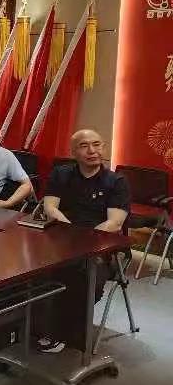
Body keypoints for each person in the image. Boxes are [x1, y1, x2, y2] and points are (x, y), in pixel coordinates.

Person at [34, 129, 131, 353]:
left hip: (101, 247)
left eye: (96, 145)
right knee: (33, 270)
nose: (92, 151)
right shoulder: (61, 174)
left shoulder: (116, 181)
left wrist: (83, 242)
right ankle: (37, 325)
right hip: (63, 241)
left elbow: (115, 223)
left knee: (82, 276)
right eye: (84, 146)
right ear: (73, 152)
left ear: (103, 148)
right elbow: (50, 208)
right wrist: (70, 234)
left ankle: (64, 333)